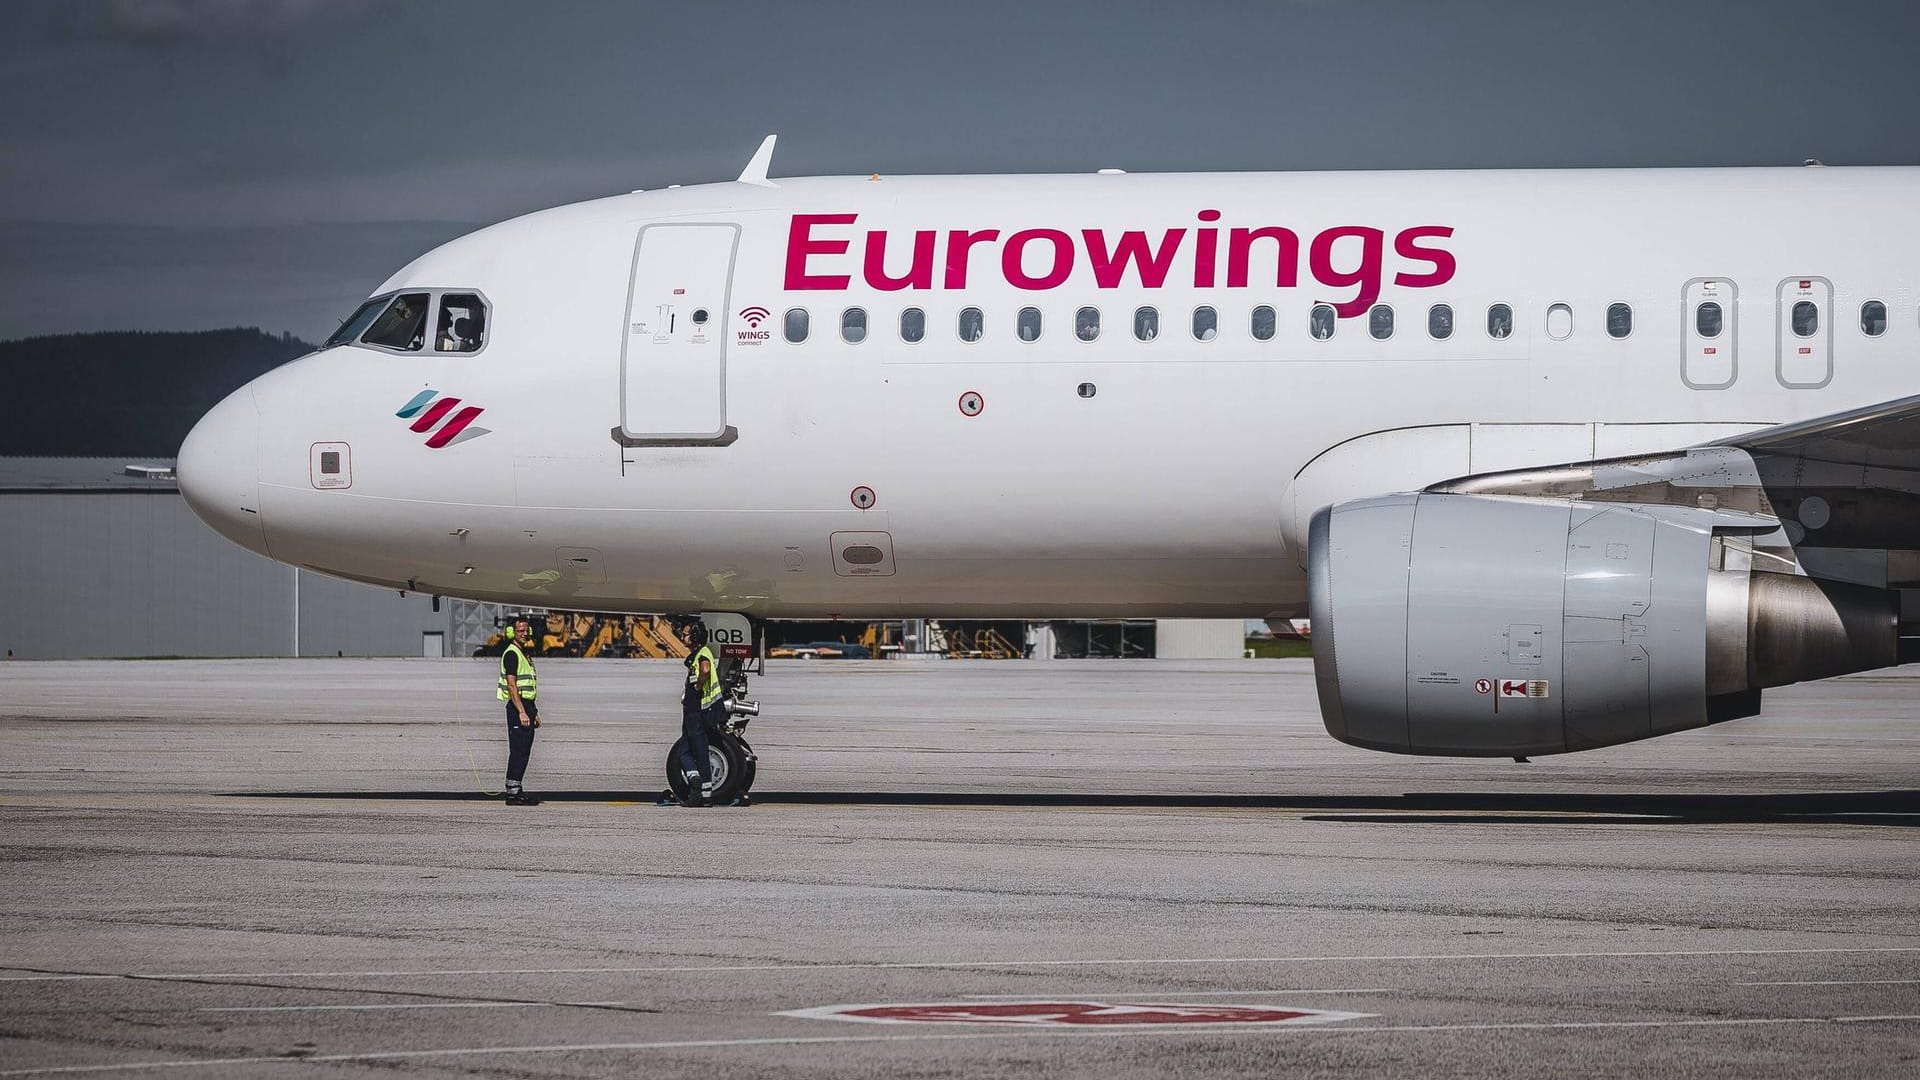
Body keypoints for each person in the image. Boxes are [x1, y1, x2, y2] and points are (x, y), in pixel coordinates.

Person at [676, 619, 723, 806]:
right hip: (700, 711)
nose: (682, 637)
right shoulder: (698, 654)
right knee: (700, 752)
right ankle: (704, 795)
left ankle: (694, 780)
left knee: (685, 751)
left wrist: (697, 685)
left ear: (695, 636)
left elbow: (705, 669)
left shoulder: (703, 653)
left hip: (697, 711)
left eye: (686, 633)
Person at [498, 616, 541, 806]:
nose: (524, 634)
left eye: (526, 631)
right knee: (518, 750)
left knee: (524, 751)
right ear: (511, 633)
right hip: (518, 707)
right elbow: (512, 685)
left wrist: (534, 712)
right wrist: (522, 712)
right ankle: (512, 793)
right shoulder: (512, 654)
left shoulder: (524, 653)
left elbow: (528, 686)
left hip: (527, 707)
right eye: (519, 631)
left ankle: (517, 788)